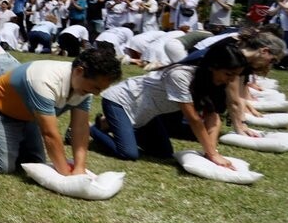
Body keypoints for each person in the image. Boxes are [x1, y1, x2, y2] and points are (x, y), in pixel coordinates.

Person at [0, 46, 122, 175]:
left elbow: (80, 129)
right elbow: (49, 134)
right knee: (2, 165)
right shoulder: (45, 80)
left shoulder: (84, 87)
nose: (97, 93)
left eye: (100, 89)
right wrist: (66, 177)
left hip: (26, 115)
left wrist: (80, 167)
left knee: (34, 163)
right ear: (79, 71)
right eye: (96, 87)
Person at [89, 39, 245, 167]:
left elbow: (213, 116)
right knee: (128, 153)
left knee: (163, 152)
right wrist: (212, 154)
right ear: (213, 67)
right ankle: (91, 129)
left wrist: (211, 152)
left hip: (146, 111)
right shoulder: (180, 75)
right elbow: (194, 119)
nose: (231, 80)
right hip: (121, 101)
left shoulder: (213, 83)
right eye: (228, 74)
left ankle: (108, 123)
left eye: (235, 76)